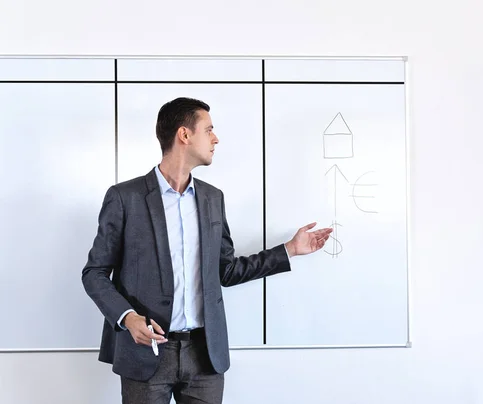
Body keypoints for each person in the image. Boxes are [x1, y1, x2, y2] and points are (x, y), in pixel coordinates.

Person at [82, 97, 332, 404]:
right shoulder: (125, 197)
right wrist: (128, 317)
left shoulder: (212, 198)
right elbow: (94, 273)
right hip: (146, 355)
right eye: (209, 129)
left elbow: (226, 270)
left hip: (205, 357)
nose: (216, 138)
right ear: (184, 135)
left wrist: (290, 250)